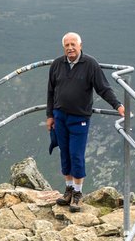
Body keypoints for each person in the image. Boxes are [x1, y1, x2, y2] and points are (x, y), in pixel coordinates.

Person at [46, 32, 125, 212]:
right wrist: (50, 115)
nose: (70, 48)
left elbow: (103, 88)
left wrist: (118, 106)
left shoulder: (90, 64)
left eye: (73, 44)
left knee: (76, 155)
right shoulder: (57, 64)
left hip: (79, 118)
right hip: (60, 116)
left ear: (80, 45)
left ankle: (78, 193)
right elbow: (50, 91)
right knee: (64, 153)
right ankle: (68, 190)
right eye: (67, 45)